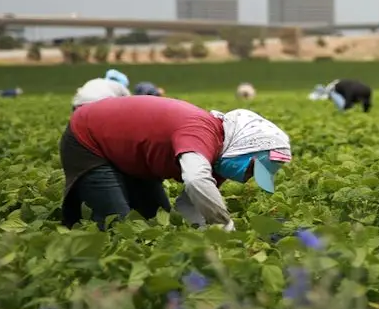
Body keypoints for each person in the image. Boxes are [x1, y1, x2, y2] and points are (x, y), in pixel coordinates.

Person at [59, 96, 292, 231]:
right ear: (243, 147)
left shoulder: (217, 161)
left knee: (155, 219)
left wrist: (205, 237)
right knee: (118, 224)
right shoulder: (202, 132)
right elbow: (195, 179)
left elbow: (189, 207)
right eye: (252, 168)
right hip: (88, 139)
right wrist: (224, 225)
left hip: (132, 159)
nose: (248, 177)